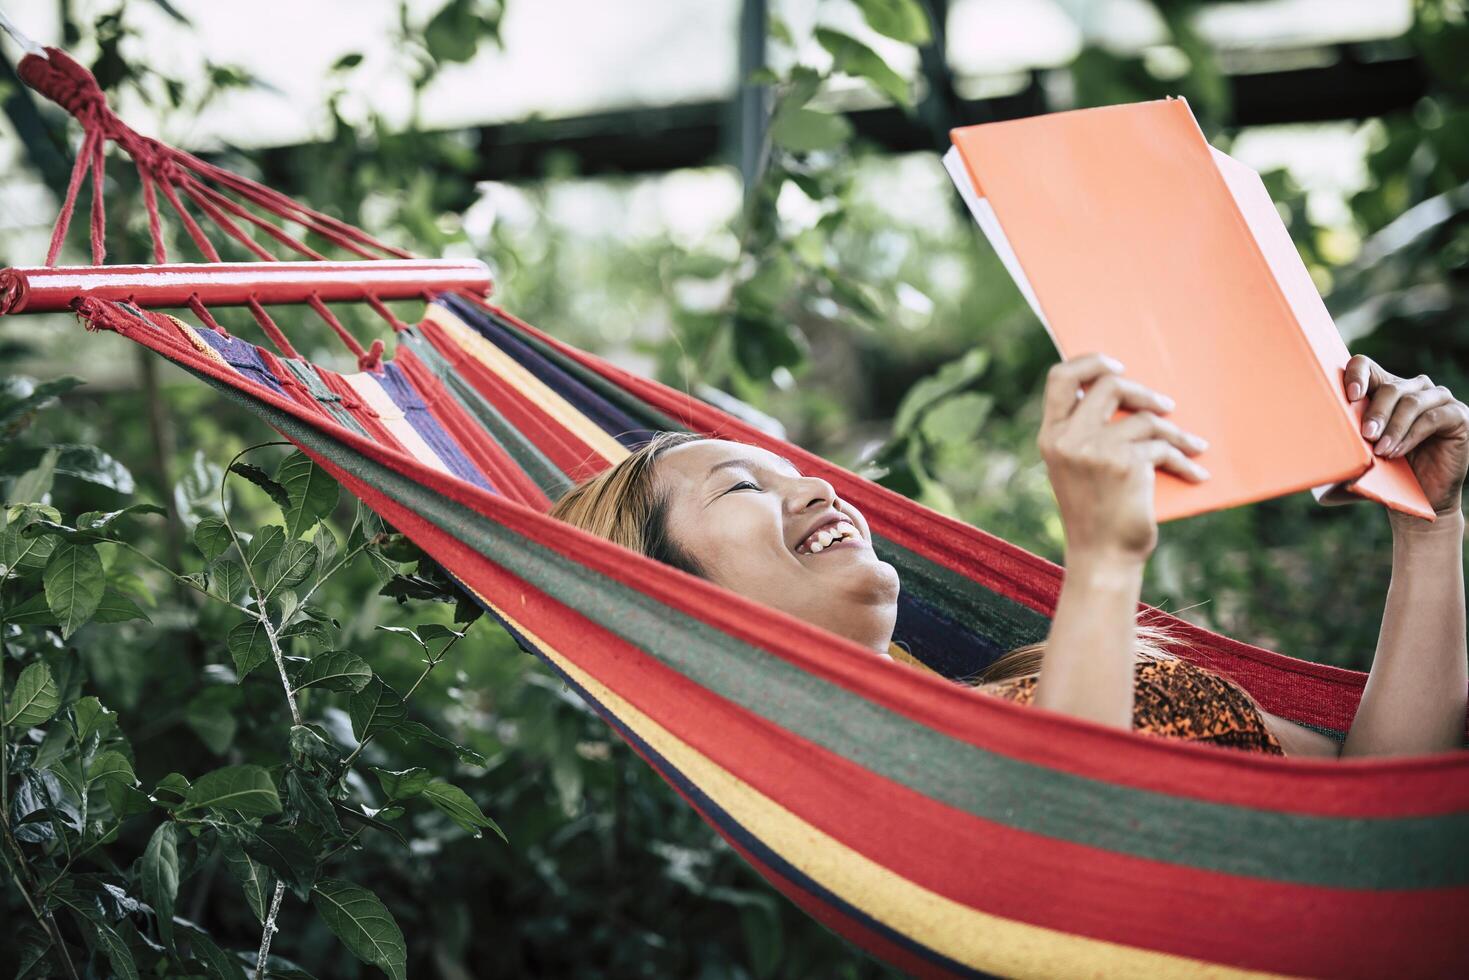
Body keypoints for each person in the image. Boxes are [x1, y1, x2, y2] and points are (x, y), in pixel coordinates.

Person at [550, 353, 1468, 759]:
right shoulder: (874, 785)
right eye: (743, 489)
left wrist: (1426, 529)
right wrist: (1103, 553)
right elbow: (1068, 842)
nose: (819, 489)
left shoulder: (1020, 680)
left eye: (794, 468)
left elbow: (1377, 803)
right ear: (671, 603)